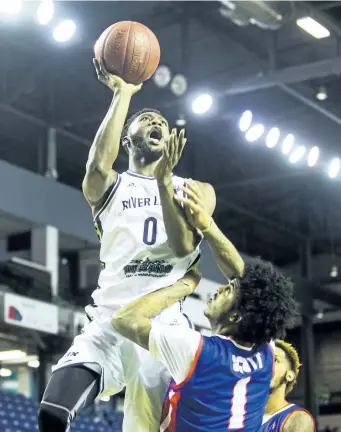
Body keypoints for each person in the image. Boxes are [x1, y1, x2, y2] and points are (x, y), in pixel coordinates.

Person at [38, 60, 220, 432]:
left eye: (163, 124)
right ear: (127, 138)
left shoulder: (196, 189)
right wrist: (123, 93)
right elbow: (95, 167)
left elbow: (185, 245)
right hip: (109, 318)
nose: (157, 124)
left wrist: (165, 183)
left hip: (161, 326)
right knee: (52, 414)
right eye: (148, 119)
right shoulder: (111, 186)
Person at [112, 181, 298, 431]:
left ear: (235, 318)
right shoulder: (263, 351)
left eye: (228, 292)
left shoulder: (195, 350)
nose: (220, 288)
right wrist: (205, 224)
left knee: (146, 371)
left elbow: (123, 319)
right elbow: (247, 282)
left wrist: (181, 288)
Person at [261, 340, 315, 432]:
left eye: (275, 360)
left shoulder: (297, 418)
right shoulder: (240, 418)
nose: (266, 365)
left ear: (289, 376)